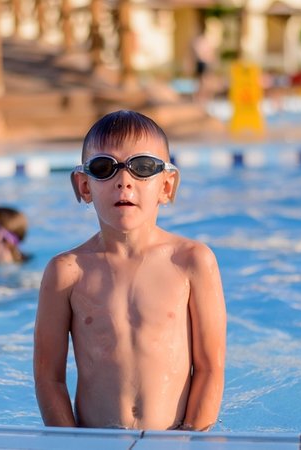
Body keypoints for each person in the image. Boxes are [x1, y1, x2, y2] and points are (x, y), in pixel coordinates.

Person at [33, 110, 227, 431]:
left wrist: (191, 440)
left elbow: (210, 369)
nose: (124, 181)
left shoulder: (192, 262)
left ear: (167, 186)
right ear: (84, 186)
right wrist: (71, 444)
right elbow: (48, 377)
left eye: (143, 167)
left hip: (174, 440)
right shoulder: (66, 272)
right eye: (104, 168)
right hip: (94, 441)